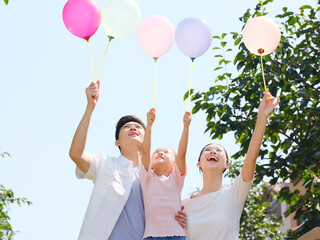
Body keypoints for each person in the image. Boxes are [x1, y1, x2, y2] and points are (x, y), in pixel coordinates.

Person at [182, 89, 280, 240]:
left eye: (219, 151)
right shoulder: (183, 205)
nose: (213, 152)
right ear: (198, 163)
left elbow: (252, 157)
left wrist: (262, 117)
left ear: (227, 165)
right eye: (208, 150)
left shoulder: (234, 194)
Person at [140, 108, 192, 240]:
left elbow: (182, 154)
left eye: (166, 152)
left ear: (173, 166)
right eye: (156, 152)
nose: (160, 153)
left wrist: (186, 127)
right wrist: (149, 125)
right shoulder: (147, 179)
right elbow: (145, 152)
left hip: (177, 235)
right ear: (150, 164)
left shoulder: (176, 179)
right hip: (151, 236)